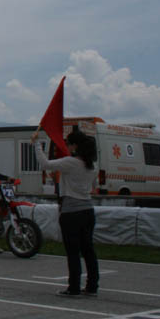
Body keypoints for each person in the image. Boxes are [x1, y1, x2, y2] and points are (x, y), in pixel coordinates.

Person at [32, 126, 100, 296]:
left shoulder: (71, 162)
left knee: (73, 252)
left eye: (68, 144)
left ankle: (74, 287)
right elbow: (94, 186)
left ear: (75, 145)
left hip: (71, 211)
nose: (67, 147)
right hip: (88, 210)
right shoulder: (92, 165)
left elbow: (45, 164)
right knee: (88, 250)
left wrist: (37, 144)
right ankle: (92, 285)